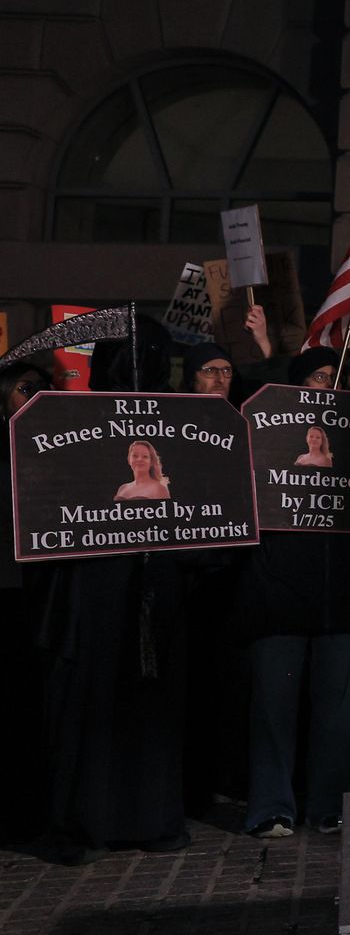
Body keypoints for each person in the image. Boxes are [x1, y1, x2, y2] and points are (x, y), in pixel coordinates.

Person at [38, 321, 191, 864]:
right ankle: (104, 816)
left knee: (139, 696)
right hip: (105, 582)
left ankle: (138, 815)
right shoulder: (76, 423)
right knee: (109, 695)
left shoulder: (176, 425)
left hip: (144, 581)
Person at [241, 348, 350, 838]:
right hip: (277, 596)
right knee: (273, 710)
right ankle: (271, 807)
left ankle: (335, 805)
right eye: (318, 377)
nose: (326, 387)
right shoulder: (260, 439)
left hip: (346, 597)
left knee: (342, 712)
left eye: (335, 379)